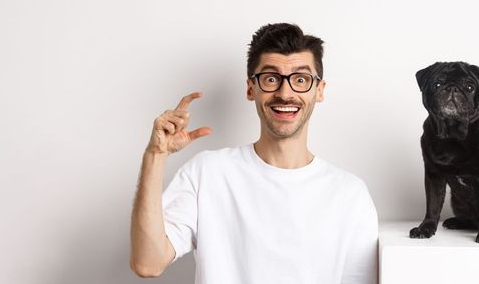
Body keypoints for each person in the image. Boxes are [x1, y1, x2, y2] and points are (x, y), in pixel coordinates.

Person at [129, 23, 378, 283]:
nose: (285, 93)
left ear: (320, 90)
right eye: (271, 79)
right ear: (251, 89)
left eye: (300, 80)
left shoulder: (350, 194)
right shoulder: (207, 173)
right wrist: (155, 155)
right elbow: (147, 263)